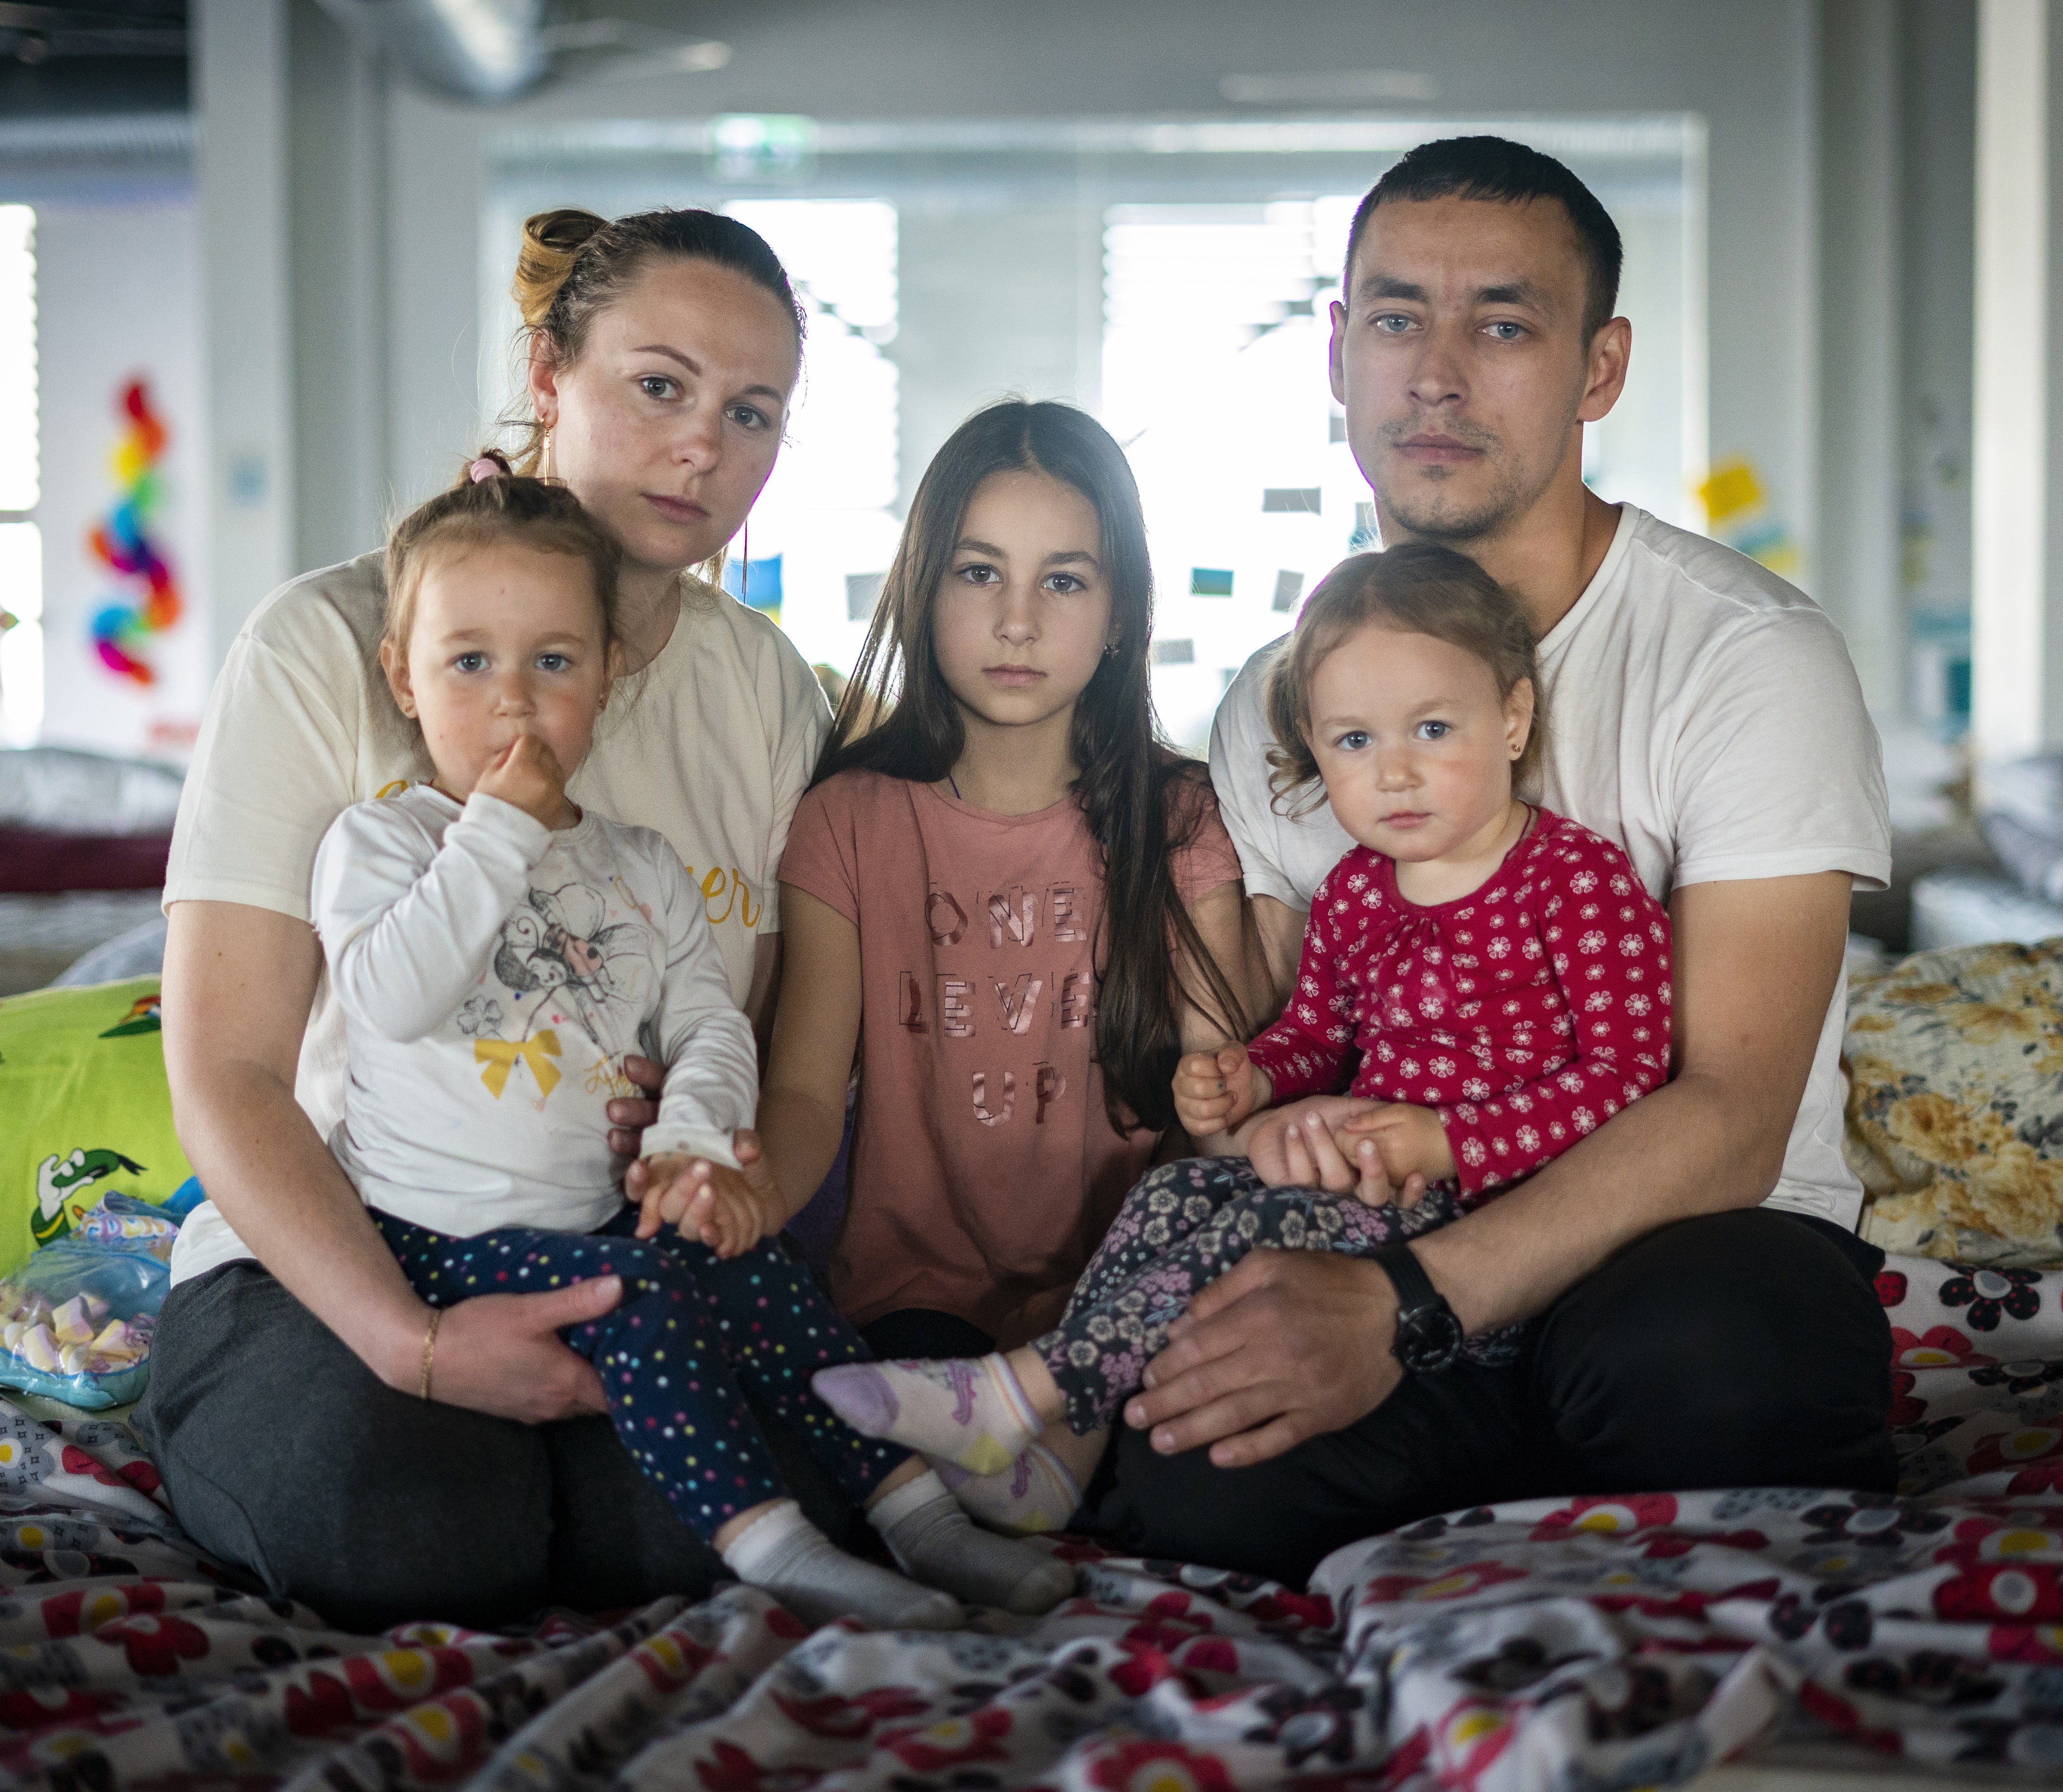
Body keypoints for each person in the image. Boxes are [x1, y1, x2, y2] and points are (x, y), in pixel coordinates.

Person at [1082, 135, 1898, 1586]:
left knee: (1712, 1364)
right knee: (1189, 1473)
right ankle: (1506, 1472)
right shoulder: (1283, 694)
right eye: (1396, 318)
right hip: (1385, 1223)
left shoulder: (1745, 657)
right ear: (1338, 351)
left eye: (1504, 323)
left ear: (1599, 368)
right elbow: (1271, 1035)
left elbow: (1730, 1112)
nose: (1437, 373)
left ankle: (1511, 1465)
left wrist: (1395, 1311)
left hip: (1684, 1243)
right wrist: (1249, 1117)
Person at [142, 208, 839, 1630]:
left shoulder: (764, 689)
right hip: (341, 1250)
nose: (704, 444)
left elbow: (764, 1046)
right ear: (548, 371)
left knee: (708, 1531)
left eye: (751, 411)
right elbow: (224, 1071)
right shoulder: (331, 644)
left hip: (611, 1263)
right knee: (408, 1523)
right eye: (660, 385)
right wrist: (411, 1339)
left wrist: (715, 1166)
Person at [305, 460, 1069, 1624]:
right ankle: (775, 1548)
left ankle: (924, 1519)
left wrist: (697, 1140)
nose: (513, 698)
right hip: (436, 1234)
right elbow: (392, 994)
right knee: (647, 1291)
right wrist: (497, 834)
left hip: (605, 1203)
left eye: (553, 661)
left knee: (761, 1275)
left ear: (606, 678)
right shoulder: (384, 843)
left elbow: (711, 1024)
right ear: (400, 679)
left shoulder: (639, 863)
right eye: (470, 661)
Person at [811, 544, 1669, 1516]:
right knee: (1174, 1194)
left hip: (1495, 1242)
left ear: (1511, 717)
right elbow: (1317, 1033)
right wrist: (1252, 1078)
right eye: (1353, 741)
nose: (1394, 770)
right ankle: (1060, 1459)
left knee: (1261, 1230)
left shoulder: (1574, 880)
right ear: (1314, 744)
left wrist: (1453, 1140)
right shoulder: (1355, 890)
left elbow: (1629, 1076)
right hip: (1369, 1194)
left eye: (1433, 728)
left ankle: (1020, 1389)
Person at [759, 401, 1251, 1532]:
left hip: (1131, 1302)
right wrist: (738, 1202)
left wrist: (1103, 1300)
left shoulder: (1182, 821)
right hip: (913, 1309)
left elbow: (1215, 1106)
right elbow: (800, 1093)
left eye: (1065, 581)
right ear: (925, 588)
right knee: (891, 1488)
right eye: (980, 573)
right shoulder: (848, 820)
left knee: (1207, 1503)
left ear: (1122, 612)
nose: (1019, 620)